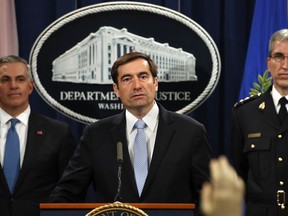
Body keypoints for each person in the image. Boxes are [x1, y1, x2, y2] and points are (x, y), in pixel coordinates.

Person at [50, 52, 214, 214]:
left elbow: (209, 198)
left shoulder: (190, 132)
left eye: (143, 76)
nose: (137, 85)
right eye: (127, 79)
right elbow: (66, 193)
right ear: (116, 89)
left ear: (155, 83)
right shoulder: (96, 135)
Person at [0, 55, 76, 216]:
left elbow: (70, 187)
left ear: (30, 87)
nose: (13, 86)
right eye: (5, 80)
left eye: (20, 79)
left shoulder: (58, 132)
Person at [231, 29, 288, 216]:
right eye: (279, 57)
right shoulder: (245, 113)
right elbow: (239, 172)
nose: (285, 65)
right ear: (268, 63)